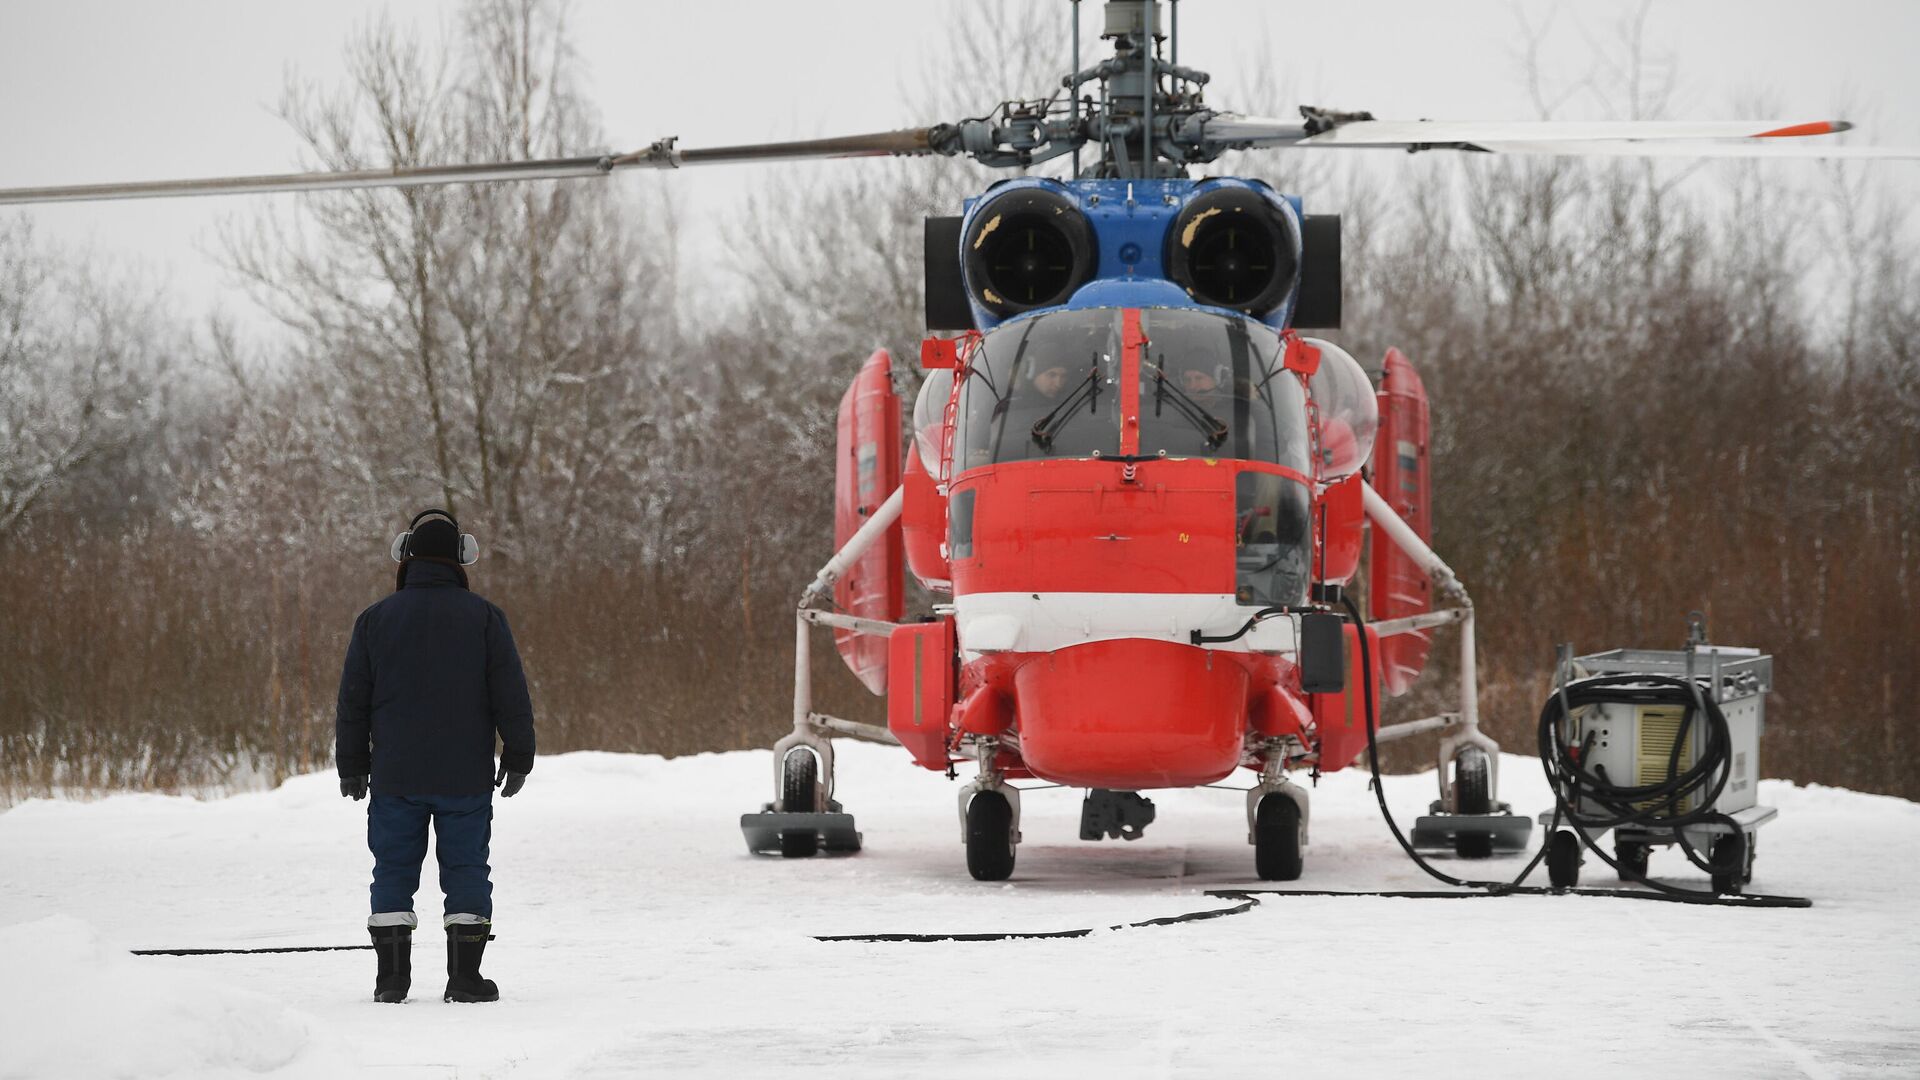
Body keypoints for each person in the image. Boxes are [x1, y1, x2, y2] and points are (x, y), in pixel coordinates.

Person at [336, 508, 536, 1004]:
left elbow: (353, 701)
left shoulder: (374, 620)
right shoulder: (486, 619)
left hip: (395, 776)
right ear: (462, 559)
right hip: (464, 777)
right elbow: (511, 695)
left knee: (392, 870)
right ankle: (465, 979)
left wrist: (352, 764)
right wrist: (518, 757)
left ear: (405, 555)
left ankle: (391, 981)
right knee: (467, 869)